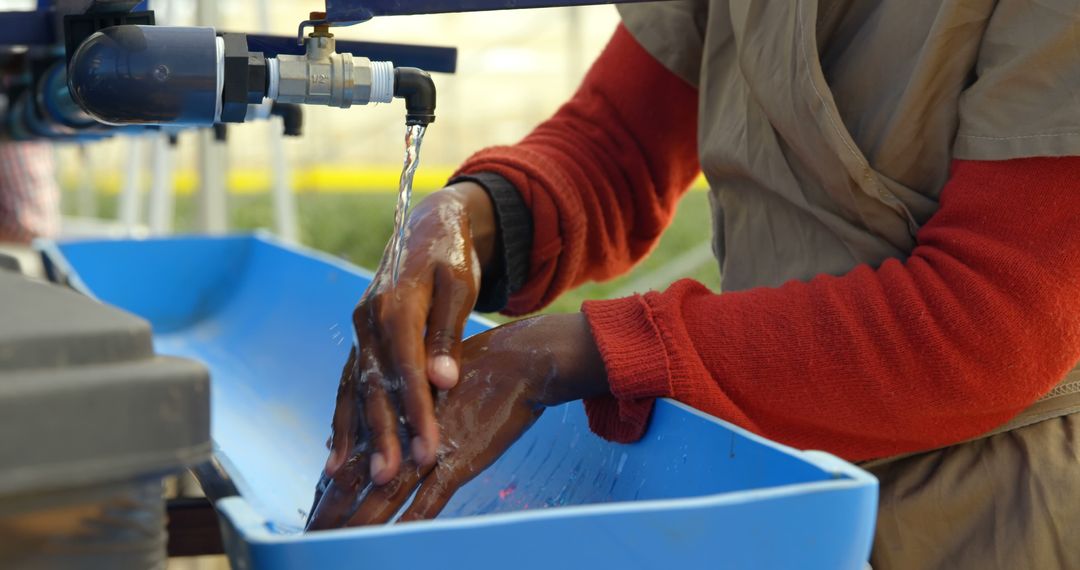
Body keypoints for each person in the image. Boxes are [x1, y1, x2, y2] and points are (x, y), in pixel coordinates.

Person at [308, 3, 1080, 568]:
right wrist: (465, 219)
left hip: (990, 504)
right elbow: (619, 143)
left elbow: (993, 320)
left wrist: (568, 353)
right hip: (762, 468)